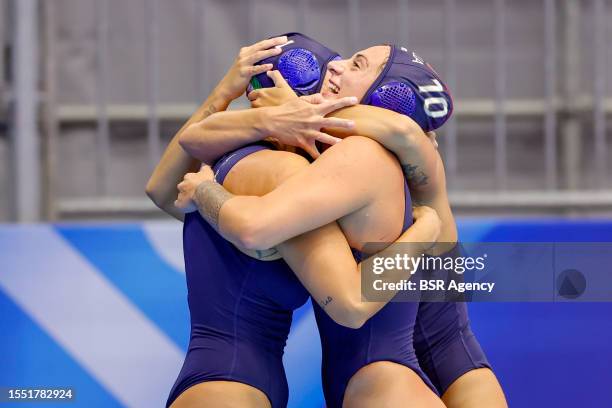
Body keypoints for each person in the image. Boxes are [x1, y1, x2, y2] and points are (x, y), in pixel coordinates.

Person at [178, 38, 508, 408]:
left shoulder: (371, 160)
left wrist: (295, 112)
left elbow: (349, 300)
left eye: (357, 65)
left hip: (392, 384)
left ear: (385, 101)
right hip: (436, 371)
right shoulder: (351, 176)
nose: (335, 66)